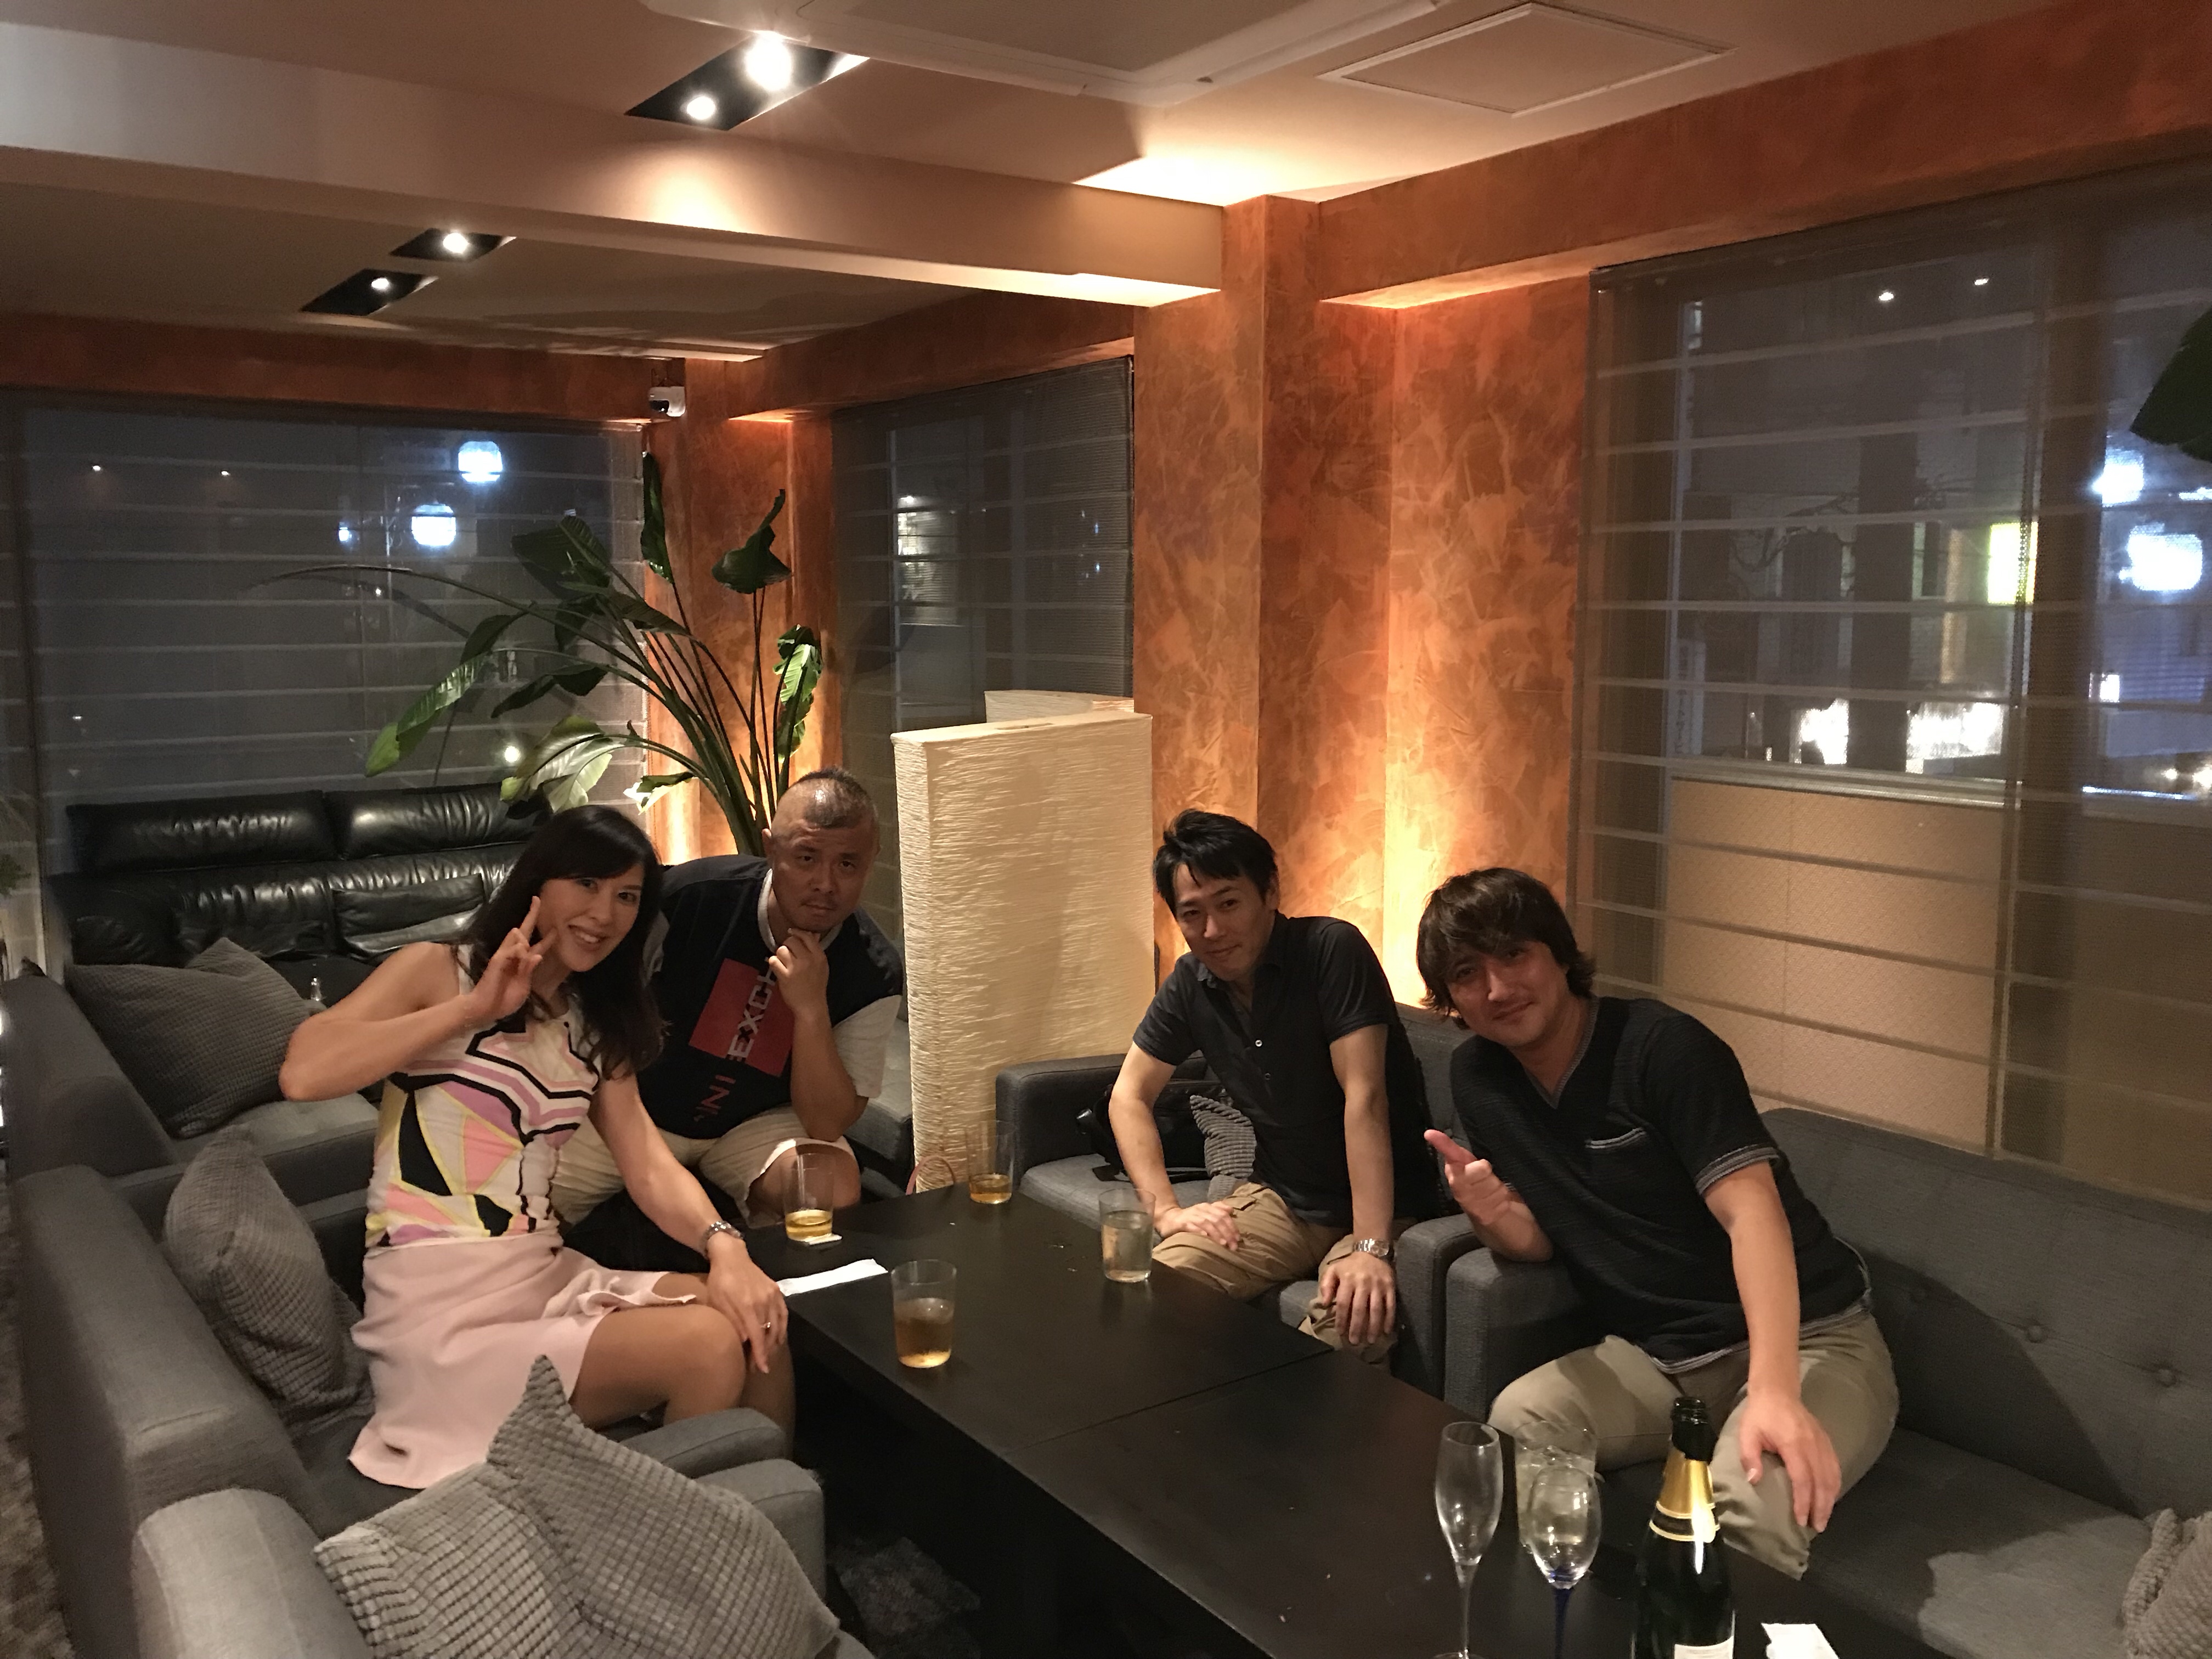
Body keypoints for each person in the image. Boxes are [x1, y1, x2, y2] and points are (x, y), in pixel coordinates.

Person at [278, 805, 790, 1488]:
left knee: (758, 1316)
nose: (604, 914)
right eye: (587, 884)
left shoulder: (592, 1024)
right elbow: (303, 1073)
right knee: (706, 1347)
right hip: (439, 1308)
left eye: (627, 897)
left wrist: (727, 1248)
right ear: (538, 884)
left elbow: (645, 1162)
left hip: (541, 1276)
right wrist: (473, 1011)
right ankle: (659, 1537)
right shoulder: (439, 971)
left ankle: (769, 1521)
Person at [1415, 867, 1896, 1577]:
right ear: (1450, 997)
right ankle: (1573, 1617)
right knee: (1520, 1426)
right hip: (1661, 1359)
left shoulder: (1663, 1048)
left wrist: (1774, 1393)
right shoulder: (1480, 1079)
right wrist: (1490, 1215)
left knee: (1742, 1508)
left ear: (1559, 954)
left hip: (1810, 1341)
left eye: (1514, 955)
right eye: (1467, 974)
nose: (1497, 988)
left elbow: (1752, 1213)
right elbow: (1541, 1242)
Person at [1104, 810, 1438, 1359]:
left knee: (1352, 1326)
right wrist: (1165, 1211)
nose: (1212, 931)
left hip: (1388, 1207)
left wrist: (1371, 1246)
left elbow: (1365, 1098)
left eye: (1229, 903)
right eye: (1192, 913)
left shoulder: (1330, 950)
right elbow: (1128, 1096)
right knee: (1152, 1292)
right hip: (1284, 1200)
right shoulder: (1191, 982)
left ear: (1271, 892)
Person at [550, 768, 904, 1231]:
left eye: (848, 865)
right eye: (806, 858)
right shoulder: (691, 897)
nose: (825, 883)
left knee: (830, 1187)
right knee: (524, 1200)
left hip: (753, 1122)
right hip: (638, 1107)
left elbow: (826, 1124)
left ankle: (772, 1274)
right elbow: (594, 1003)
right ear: (771, 849)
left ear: (872, 862)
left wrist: (811, 1011)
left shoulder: (874, 969)